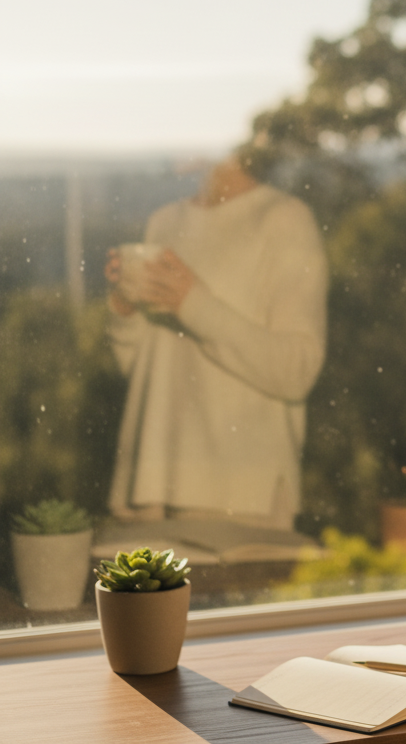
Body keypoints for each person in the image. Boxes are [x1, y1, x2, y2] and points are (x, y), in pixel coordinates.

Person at [105, 153, 328, 531]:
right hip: (148, 487)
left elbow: (298, 370)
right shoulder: (164, 221)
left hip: (238, 497)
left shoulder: (284, 218)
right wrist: (124, 309)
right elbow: (142, 371)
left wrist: (192, 304)